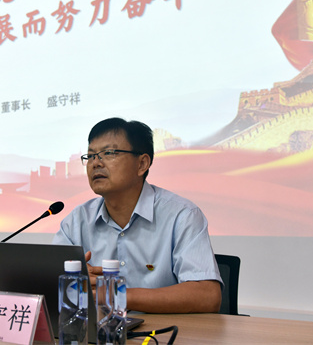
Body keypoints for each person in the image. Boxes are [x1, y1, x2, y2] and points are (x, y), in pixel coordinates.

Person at [53, 118, 222, 313]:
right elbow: (46, 285)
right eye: (90, 156)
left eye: (109, 153)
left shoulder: (182, 215)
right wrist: (72, 280)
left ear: (142, 164)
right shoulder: (76, 221)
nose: (96, 163)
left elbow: (207, 296)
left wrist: (115, 295)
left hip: (164, 331)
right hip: (100, 329)